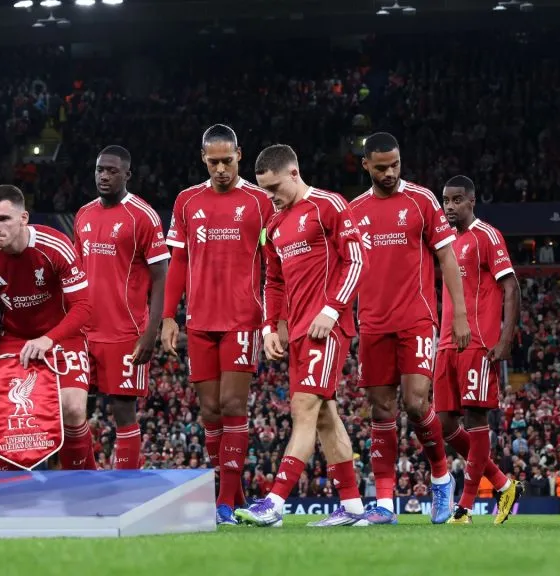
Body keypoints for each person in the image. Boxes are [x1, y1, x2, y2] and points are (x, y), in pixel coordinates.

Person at [235, 144, 369, 528]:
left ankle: (275, 503)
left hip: (325, 327)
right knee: (325, 416)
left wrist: (332, 309)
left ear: (294, 173)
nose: (270, 196)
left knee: (303, 408)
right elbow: (272, 282)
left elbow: (356, 261)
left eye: (275, 186)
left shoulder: (329, 205)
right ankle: (353, 508)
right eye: (264, 189)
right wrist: (268, 326)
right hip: (295, 332)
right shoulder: (273, 226)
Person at [348, 132, 470, 525]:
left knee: (416, 403)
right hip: (372, 322)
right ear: (365, 164)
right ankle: (384, 503)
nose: (389, 172)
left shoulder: (421, 200)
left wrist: (460, 314)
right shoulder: (353, 210)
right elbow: (343, 266)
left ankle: (440, 477)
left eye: (395, 165)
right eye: (380, 166)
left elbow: (448, 258)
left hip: (415, 319)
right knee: (381, 409)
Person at [160, 124, 274, 523]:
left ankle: (223, 503)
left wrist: (277, 317)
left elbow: (275, 260)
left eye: (228, 160)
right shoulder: (187, 201)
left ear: (240, 155)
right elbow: (178, 262)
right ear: (203, 159)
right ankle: (235, 496)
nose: (221, 168)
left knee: (232, 404)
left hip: (243, 318)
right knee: (209, 411)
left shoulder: (260, 201)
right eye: (214, 162)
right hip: (200, 319)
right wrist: (168, 317)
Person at [0, 185, 96, 470]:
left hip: (62, 334)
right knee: (13, 422)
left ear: (24, 217)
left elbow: (83, 307)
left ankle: (84, 484)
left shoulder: (55, 246)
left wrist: (49, 339)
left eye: (3, 219)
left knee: (72, 408)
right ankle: (20, 494)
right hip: (15, 339)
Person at [434, 175, 524, 525]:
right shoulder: (444, 243)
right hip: (446, 343)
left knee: (475, 419)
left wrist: (504, 338)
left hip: (478, 342)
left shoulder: (487, 236)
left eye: (457, 200)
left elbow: (512, 287)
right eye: (446, 200)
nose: (450, 207)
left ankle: (465, 507)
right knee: (444, 423)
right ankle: (503, 484)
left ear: (472, 201)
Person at [74, 145, 169, 469]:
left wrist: (150, 332)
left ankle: (126, 486)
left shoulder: (142, 216)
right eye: (100, 169)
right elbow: (76, 273)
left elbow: (161, 277)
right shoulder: (84, 214)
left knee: (123, 411)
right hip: (83, 333)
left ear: (127, 174)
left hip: (124, 333)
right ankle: (81, 482)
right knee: (73, 410)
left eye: (112, 170)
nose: (104, 175)